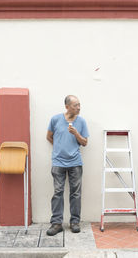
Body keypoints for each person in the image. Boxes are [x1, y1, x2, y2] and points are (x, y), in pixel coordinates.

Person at [46, 95, 89, 236]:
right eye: (75, 105)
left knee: (75, 193)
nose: (78, 107)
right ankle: (57, 223)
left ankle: (75, 222)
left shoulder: (81, 122)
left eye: (79, 104)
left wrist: (76, 133)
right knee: (58, 192)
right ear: (67, 106)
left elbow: (84, 142)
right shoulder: (55, 119)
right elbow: (49, 136)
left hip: (75, 162)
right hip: (58, 162)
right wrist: (59, 148)